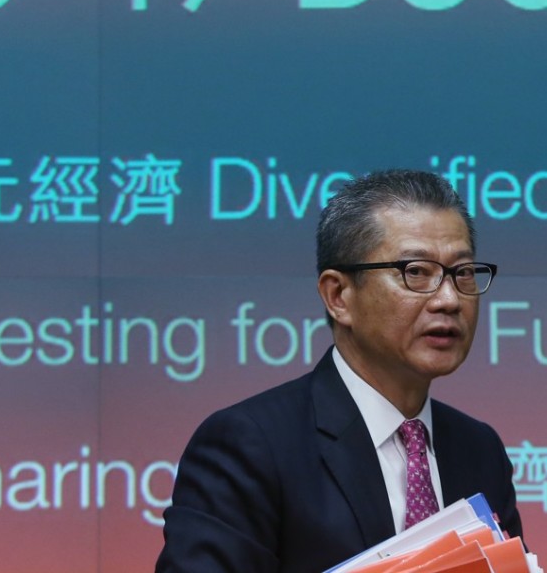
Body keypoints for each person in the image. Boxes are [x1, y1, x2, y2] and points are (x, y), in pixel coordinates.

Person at [155, 169, 522, 573]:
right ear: (338, 295)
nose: (449, 299)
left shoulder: (478, 449)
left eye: (463, 272)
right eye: (416, 272)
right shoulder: (251, 445)